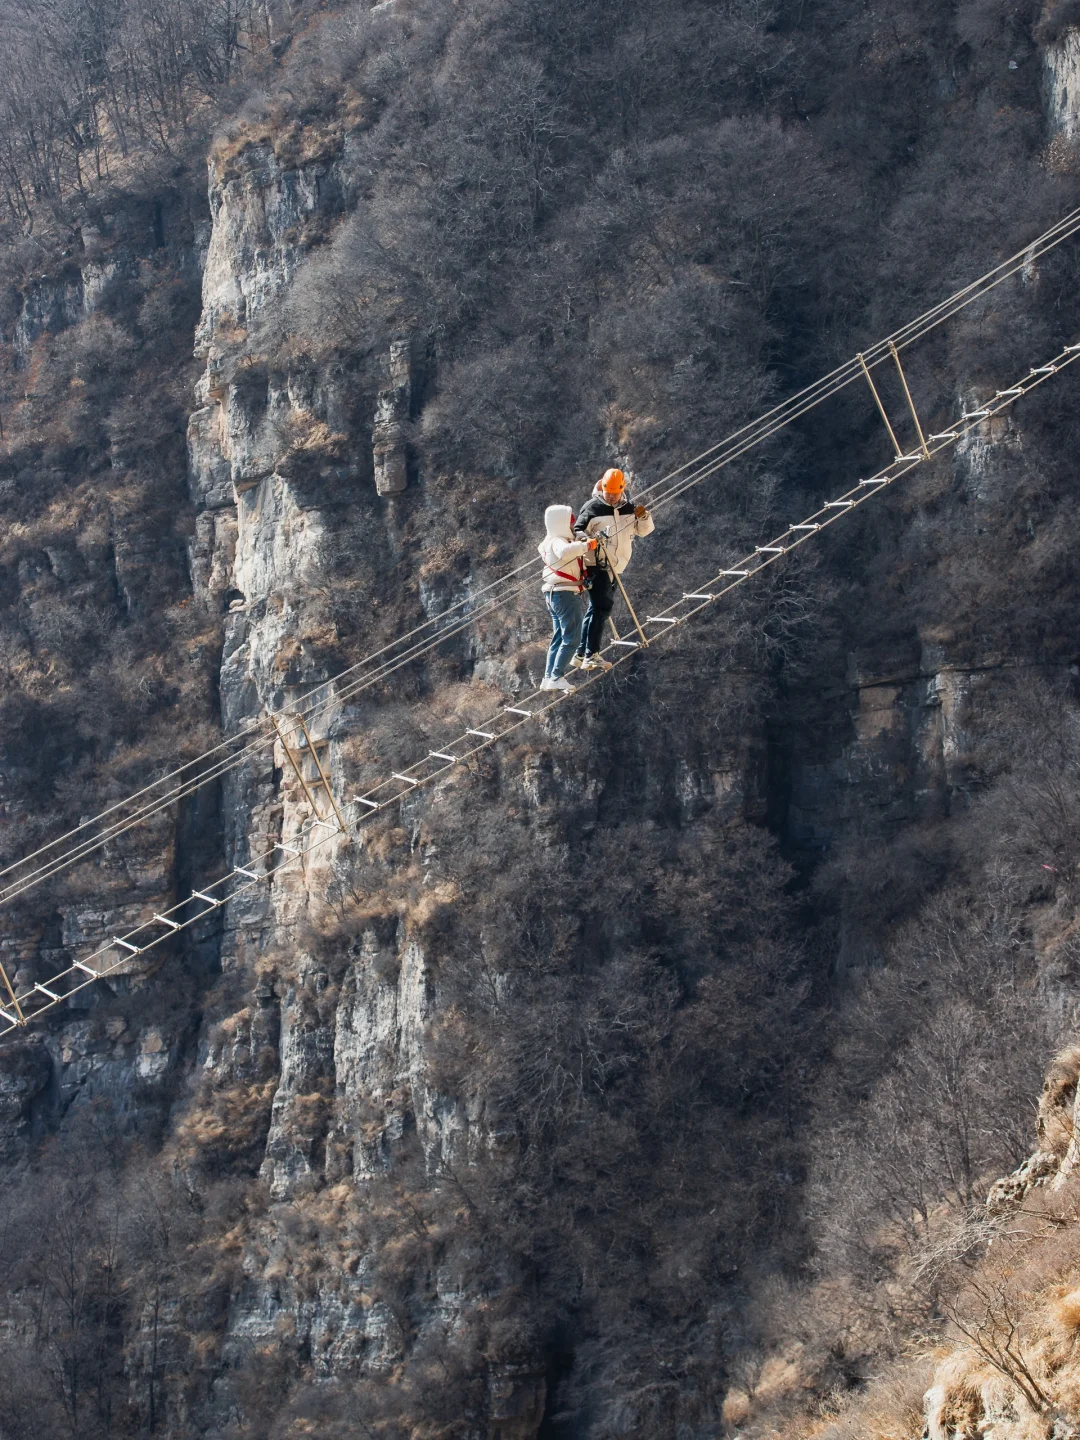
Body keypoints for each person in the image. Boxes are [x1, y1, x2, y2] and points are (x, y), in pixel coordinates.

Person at [570, 468, 655, 670]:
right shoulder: (593, 507)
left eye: (615, 493)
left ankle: (581, 653)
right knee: (603, 607)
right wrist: (590, 541)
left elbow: (644, 531)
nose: (611, 496)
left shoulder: (629, 509)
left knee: (595, 609)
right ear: (603, 488)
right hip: (596, 565)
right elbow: (578, 530)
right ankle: (592, 654)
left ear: (622, 490)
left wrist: (643, 517)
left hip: (617, 566)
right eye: (608, 492)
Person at [537, 504, 597, 692]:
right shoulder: (557, 541)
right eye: (570, 522)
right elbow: (564, 551)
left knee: (559, 637)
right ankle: (556, 676)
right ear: (561, 523)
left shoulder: (548, 541)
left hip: (553, 595)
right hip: (564, 594)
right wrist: (587, 545)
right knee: (572, 638)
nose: (572, 525)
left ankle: (548, 677)